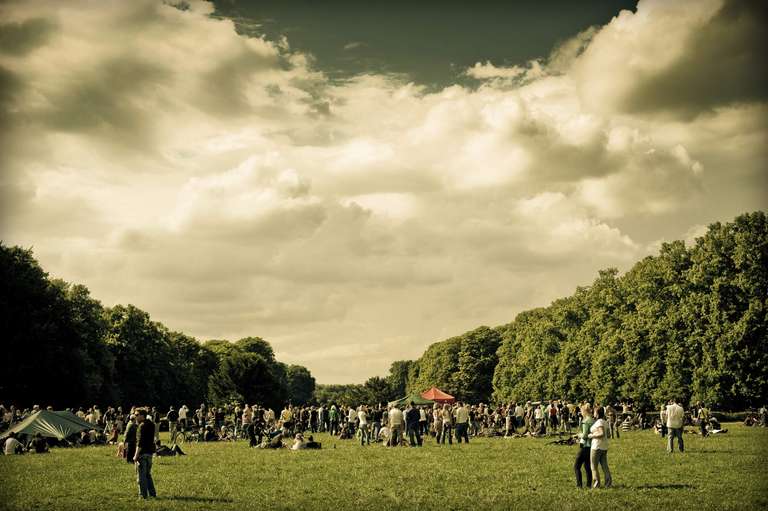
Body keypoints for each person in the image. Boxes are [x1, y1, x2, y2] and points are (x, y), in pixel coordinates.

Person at [133, 409, 157, 499]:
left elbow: (140, 442)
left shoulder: (141, 426)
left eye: (137, 415)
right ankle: (152, 494)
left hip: (142, 454)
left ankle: (143, 496)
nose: (135, 416)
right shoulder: (151, 424)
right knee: (148, 475)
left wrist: (136, 455)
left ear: (142, 415)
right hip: (150, 452)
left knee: (141, 477)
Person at [588, 407, 612, 488]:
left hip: (597, 447)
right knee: (604, 466)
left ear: (597, 413)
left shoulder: (599, 422)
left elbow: (602, 433)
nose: (593, 413)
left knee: (593, 466)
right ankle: (608, 483)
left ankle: (596, 484)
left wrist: (592, 435)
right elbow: (608, 435)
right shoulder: (605, 422)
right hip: (604, 446)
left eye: (594, 412)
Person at [574, 404, 593, 489]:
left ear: (584, 411)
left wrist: (578, 435)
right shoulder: (592, 420)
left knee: (576, 466)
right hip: (591, 446)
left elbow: (585, 435)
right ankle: (589, 485)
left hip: (585, 445)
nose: (580, 413)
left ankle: (579, 485)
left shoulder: (585, 421)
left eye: (581, 411)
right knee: (587, 466)